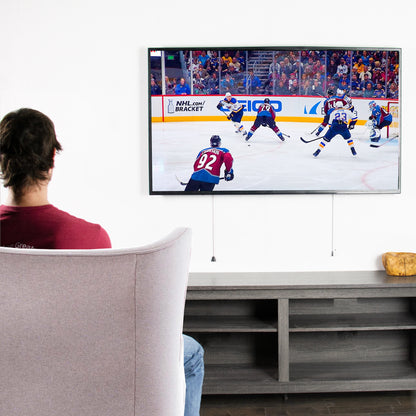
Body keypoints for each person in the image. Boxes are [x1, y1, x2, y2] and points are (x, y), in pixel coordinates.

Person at [0, 108, 204, 416]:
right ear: (52, 160)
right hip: (79, 368)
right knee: (191, 353)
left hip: (9, 368)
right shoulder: (89, 237)